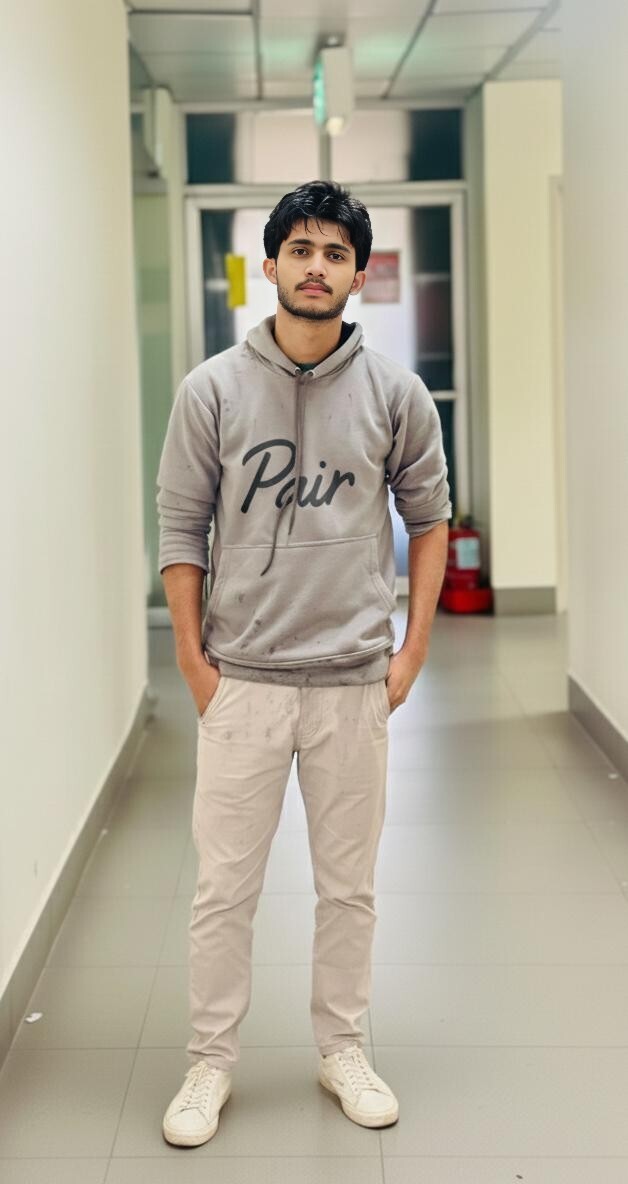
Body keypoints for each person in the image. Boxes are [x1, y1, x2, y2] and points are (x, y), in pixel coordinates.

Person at [156, 180, 452, 1147]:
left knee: (348, 888)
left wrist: (411, 651)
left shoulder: (397, 395)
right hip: (241, 682)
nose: (316, 267)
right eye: (301, 249)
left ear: (358, 275)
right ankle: (209, 1063)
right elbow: (180, 531)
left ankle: (342, 1049)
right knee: (224, 890)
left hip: (351, 685)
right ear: (271, 264)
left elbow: (431, 520)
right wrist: (196, 666)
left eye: (335, 253)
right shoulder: (210, 391)